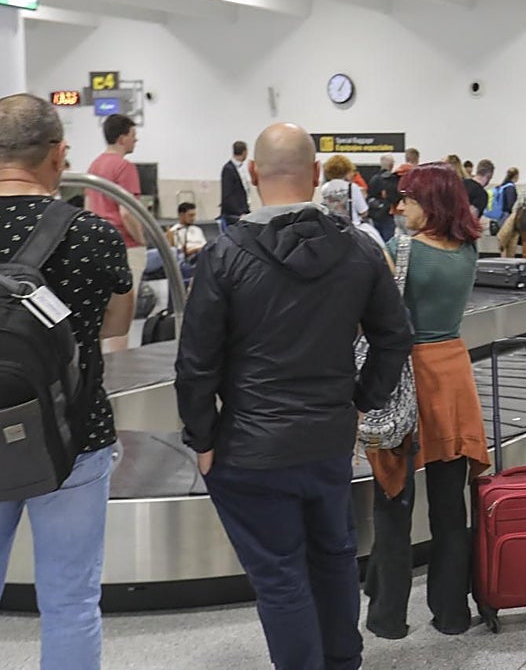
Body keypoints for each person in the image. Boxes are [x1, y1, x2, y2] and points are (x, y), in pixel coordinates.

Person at [175, 123, 412, 670]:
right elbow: (394, 336)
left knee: (281, 578)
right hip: (327, 439)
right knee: (334, 558)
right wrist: (360, 401)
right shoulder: (358, 250)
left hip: (249, 446)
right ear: (314, 176)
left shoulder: (224, 255)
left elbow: (196, 363)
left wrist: (202, 438)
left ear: (253, 174)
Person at [0, 93, 133, 670]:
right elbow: (114, 328)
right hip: (73, 438)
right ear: (59, 153)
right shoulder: (92, 233)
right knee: (70, 601)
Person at [364, 163, 490, 639]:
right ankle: (452, 612)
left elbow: (379, 318)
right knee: (449, 504)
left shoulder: (402, 251)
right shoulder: (470, 247)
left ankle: (388, 615)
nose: (400, 207)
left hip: (407, 378)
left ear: (429, 203)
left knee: (394, 498)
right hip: (454, 376)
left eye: (409, 200)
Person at [86, 113, 145, 352]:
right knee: (122, 316)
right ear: (122, 138)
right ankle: (120, 365)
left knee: (101, 312)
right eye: (133, 135)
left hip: (98, 245)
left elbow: (88, 208)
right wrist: (143, 239)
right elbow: (127, 212)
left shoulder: (94, 165)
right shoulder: (124, 167)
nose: (136, 140)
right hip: (125, 246)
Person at [146, 202, 207, 285]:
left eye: (194, 215)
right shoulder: (174, 231)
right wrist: (197, 249)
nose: (193, 218)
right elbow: (179, 252)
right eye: (190, 215)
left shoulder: (197, 230)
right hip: (189, 258)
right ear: (181, 215)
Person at [320, 154, 370, 224]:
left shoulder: (324, 188)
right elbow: (363, 211)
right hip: (351, 226)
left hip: (331, 226)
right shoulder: (352, 187)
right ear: (347, 170)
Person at [220, 140, 251, 229]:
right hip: (234, 214)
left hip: (243, 211)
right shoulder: (229, 169)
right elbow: (228, 194)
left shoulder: (240, 169)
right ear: (244, 152)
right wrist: (239, 213)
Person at [368, 155, 397, 243]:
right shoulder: (392, 179)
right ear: (391, 165)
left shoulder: (374, 179)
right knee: (388, 243)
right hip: (388, 214)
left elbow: (369, 197)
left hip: (375, 215)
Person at [496, 167, 521, 258]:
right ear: (516, 175)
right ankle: (508, 260)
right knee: (509, 242)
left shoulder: (503, 186)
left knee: (504, 241)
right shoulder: (510, 187)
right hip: (507, 217)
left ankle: (503, 258)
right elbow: (511, 204)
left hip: (501, 216)